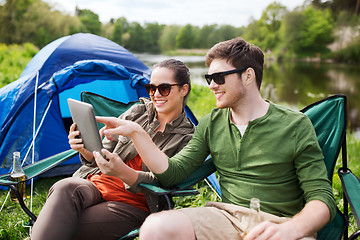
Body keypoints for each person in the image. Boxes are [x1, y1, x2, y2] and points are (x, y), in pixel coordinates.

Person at [93, 37, 337, 240]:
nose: (211, 86)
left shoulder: (295, 125)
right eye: (209, 79)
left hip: (281, 223)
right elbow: (173, 172)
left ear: (248, 76)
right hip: (226, 217)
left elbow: (321, 198)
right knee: (155, 227)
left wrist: (291, 229)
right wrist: (138, 133)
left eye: (219, 78)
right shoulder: (212, 123)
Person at [30, 59, 195, 240]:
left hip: (132, 203)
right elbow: (101, 153)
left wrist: (125, 173)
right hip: (95, 184)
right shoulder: (137, 112)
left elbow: (168, 183)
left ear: (183, 89)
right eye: (151, 88)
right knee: (64, 186)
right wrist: (84, 148)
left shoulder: (187, 138)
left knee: (64, 223)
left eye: (164, 88)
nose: (155, 95)